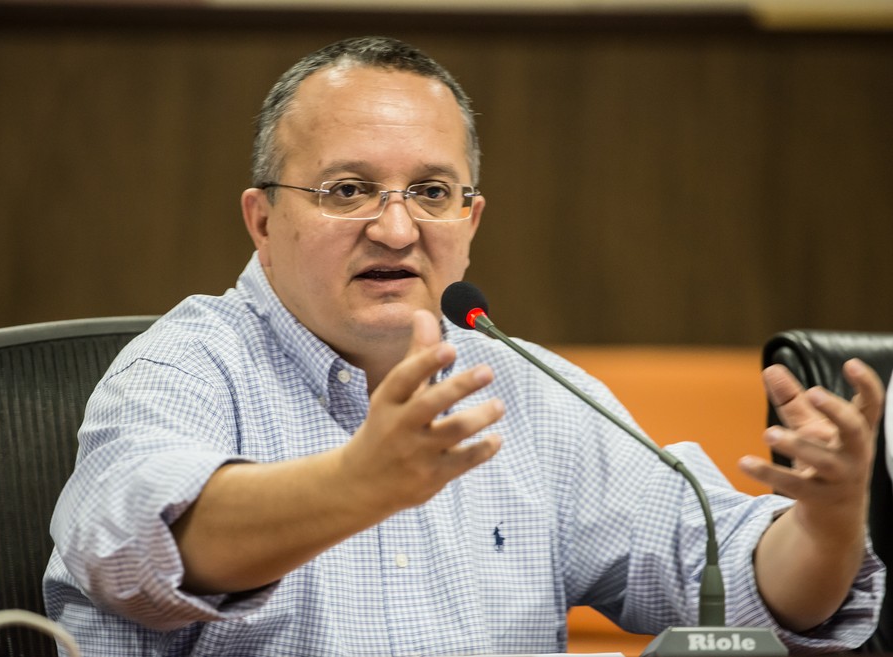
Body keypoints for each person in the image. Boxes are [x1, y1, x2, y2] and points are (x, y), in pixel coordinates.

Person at [44, 36, 885, 656]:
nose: (398, 226)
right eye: (349, 190)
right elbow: (139, 549)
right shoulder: (185, 363)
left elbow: (729, 574)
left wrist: (831, 521)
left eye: (433, 192)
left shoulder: (525, 389)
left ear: (469, 222)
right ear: (263, 222)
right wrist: (359, 482)